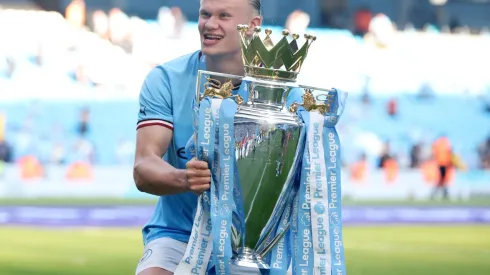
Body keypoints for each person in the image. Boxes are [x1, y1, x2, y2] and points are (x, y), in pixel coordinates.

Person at [132, 0, 264, 274]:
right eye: (205, 14)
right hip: (179, 233)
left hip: (253, 243)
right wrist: (184, 179)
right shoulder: (165, 79)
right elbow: (144, 167)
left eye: (224, 16)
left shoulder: (276, 92)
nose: (209, 24)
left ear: (253, 26)